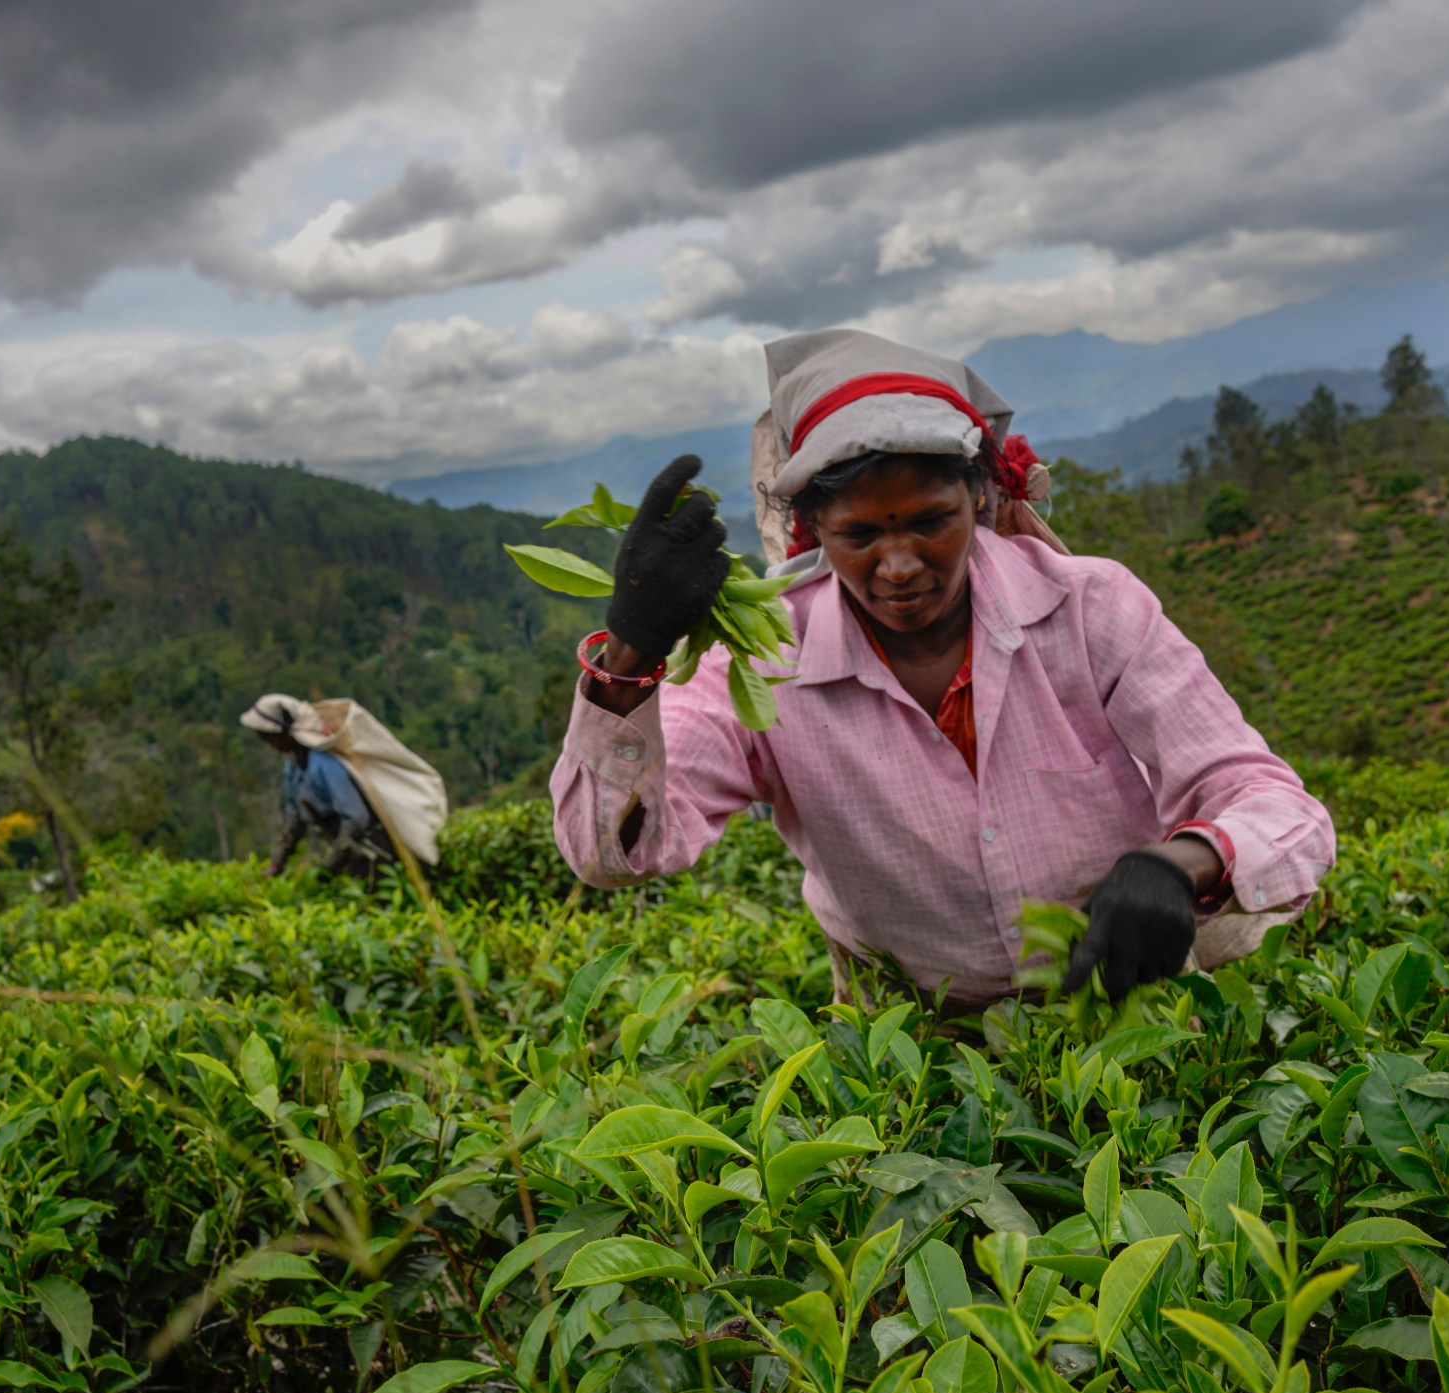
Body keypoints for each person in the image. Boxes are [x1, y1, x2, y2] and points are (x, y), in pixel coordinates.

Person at [551, 328, 1336, 1009]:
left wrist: (1182, 863)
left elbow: (1277, 806)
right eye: (861, 535)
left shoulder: (1091, 609)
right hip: (910, 1050)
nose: (898, 566)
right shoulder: (764, 662)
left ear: (981, 498)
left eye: (932, 522)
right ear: (812, 527)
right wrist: (633, 652)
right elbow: (612, 854)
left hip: (1124, 1008)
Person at [241, 695, 393, 880]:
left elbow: (356, 818)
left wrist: (329, 866)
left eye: (271, 738)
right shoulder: (293, 768)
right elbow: (295, 819)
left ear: (286, 733)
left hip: (372, 852)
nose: (271, 745)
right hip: (346, 852)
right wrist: (278, 860)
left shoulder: (324, 763)